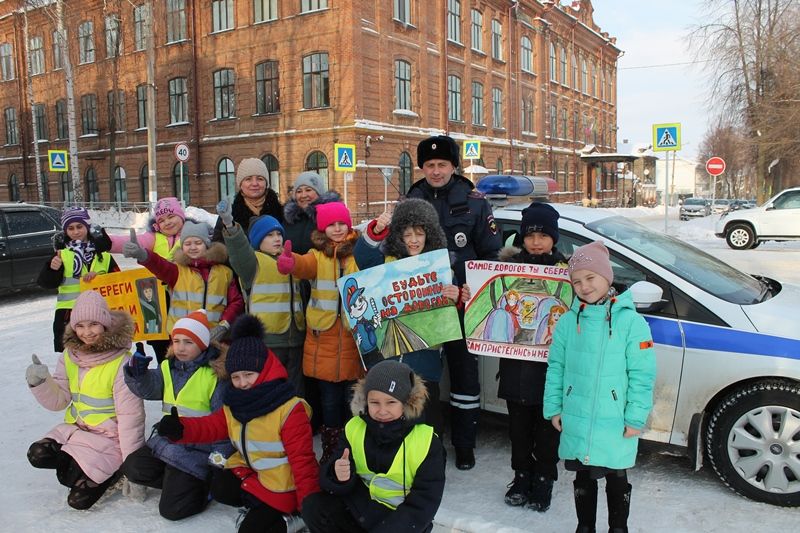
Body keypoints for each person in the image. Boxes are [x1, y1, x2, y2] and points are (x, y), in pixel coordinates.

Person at [154, 314, 318, 533]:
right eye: (236, 377)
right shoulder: (236, 403)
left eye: (249, 374)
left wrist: (308, 505)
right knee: (220, 486)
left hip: (283, 485)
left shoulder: (289, 409)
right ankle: (260, 506)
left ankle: (293, 518)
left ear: (265, 370)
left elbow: (303, 462)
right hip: (254, 474)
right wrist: (181, 428)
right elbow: (213, 425)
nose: (242, 383)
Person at [543, 241, 656, 533]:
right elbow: (556, 367)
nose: (584, 286)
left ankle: (618, 527)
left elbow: (642, 374)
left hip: (615, 417)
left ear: (607, 277)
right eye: (577, 281)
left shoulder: (632, 323)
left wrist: (635, 417)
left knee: (617, 474)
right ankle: (585, 527)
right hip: (577, 414)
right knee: (582, 475)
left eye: (590, 277)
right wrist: (554, 407)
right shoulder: (568, 322)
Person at [406, 134, 502, 470]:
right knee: (423, 375)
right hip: (423, 306)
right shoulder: (412, 199)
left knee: (465, 376)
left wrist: (471, 293)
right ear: (422, 167)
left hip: (464, 304)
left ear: (453, 165)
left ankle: (464, 446)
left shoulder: (474, 201)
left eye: (442, 164)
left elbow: (490, 254)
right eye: (429, 165)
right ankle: (425, 444)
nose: (435, 171)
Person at [353, 198, 468, 437]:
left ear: (430, 236)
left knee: (426, 419)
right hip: (389, 359)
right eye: (407, 234)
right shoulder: (385, 263)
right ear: (398, 237)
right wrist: (375, 232)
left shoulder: (440, 268)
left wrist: (456, 297)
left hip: (426, 358)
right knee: (392, 417)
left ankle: (430, 460)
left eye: (419, 233)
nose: (414, 240)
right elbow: (363, 257)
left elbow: (453, 308)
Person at [26, 290, 145, 510]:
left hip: (110, 439)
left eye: (93, 325)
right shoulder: (69, 356)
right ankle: (81, 465)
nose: (86, 332)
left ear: (105, 324)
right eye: (79, 326)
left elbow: (131, 420)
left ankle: (114, 471)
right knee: (37, 454)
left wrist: (133, 470)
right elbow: (59, 401)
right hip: (77, 431)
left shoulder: (121, 363)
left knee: (78, 502)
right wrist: (41, 382)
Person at [302, 360, 446, 533]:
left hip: (401, 522)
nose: (382, 411)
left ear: (406, 403)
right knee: (314, 507)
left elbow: (423, 505)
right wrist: (337, 474)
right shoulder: (354, 427)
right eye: (375, 402)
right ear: (365, 401)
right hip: (361, 510)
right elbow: (331, 481)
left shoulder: (426, 441)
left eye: (391, 402)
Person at [276, 201, 364, 463]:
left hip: (352, 339)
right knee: (328, 402)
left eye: (341, 224)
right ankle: (332, 451)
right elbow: (302, 265)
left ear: (348, 226)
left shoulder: (359, 254)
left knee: (354, 400)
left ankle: (354, 448)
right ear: (323, 229)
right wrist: (289, 262)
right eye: (331, 225)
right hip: (323, 339)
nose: (337, 229)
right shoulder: (317, 256)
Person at [121, 309, 231, 521]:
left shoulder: (215, 375)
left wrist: (217, 462)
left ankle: (202, 486)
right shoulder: (168, 367)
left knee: (172, 510)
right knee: (132, 466)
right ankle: (179, 480)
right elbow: (148, 389)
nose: (180, 347)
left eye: (188, 342)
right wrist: (138, 373)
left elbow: (224, 423)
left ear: (202, 344)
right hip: (167, 441)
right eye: (177, 341)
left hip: (197, 449)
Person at [492, 203, 567, 512]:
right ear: (522, 238)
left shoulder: (567, 274)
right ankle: (521, 476)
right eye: (531, 234)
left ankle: (544, 479)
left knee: (548, 430)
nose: (536, 241)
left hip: (552, 370)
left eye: (543, 235)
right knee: (519, 429)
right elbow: (493, 304)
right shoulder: (507, 271)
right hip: (516, 366)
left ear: (554, 238)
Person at [217, 200, 306, 395]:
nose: (276, 239)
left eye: (278, 234)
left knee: (296, 391)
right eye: (269, 235)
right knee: (270, 388)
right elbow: (239, 250)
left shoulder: (292, 260)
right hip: (269, 340)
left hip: (296, 337)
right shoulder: (252, 263)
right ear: (258, 241)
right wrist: (230, 225)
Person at [123, 220, 244, 345]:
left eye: (198, 243)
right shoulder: (177, 271)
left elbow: (236, 301)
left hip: (214, 338)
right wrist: (142, 255)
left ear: (207, 244)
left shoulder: (224, 273)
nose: (192, 247)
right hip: (182, 339)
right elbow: (159, 265)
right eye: (187, 243)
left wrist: (224, 325)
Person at [110, 197, 192, 361]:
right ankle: (164, 375)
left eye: (171, 217)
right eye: (161, 220)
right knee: (161, 346)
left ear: (181, 216)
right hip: (155, 301)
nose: (167, 222)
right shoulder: (154, 238)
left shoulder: (194, 234)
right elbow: (126, 241)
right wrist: (104, 241)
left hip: (184, 298)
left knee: (186, 340)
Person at [37, 207, 118, 353]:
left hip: (99, 316)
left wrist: (99, 279)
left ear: (87, 227)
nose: (75, 232)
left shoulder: (104, 256)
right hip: (70, 317)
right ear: (66, 231)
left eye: (79, 226)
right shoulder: (62, 255)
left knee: (101, 356)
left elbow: (119, 283)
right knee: (74, 360)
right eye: (70, 228)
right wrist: (52, 269)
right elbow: (45, 283)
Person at [212, 158, 284, 242]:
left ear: (266, 183)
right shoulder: (229, 215)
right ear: (240, 184)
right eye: (248, 179)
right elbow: (218, 247)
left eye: (260, 179)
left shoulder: (281, 213)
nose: (254, 183)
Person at [282, 171, 336, 255]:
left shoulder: (330, 216)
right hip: (293, 267)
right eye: (299, 191)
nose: (303, 195)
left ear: (319, 192)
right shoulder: (289, 219)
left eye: (308, 190)